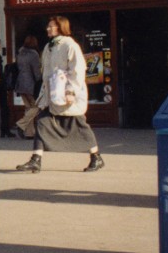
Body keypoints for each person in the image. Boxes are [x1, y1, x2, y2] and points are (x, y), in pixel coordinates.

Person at [16, 16, 104, 173]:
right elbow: (46, 73)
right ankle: (36, 159)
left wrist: (71, 92)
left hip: (67, 95)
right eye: (48, 26)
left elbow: (77, 70)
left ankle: (96, 157)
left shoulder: (70, 45)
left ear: (61, 28)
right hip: (52, 95)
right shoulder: (49, 47)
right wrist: (44, 94)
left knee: (79, 125)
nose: (48, 29)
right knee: (42, 123)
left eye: (51, 26)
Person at [13, 35, 42, 139]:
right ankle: (21, 123)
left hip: (20, 83)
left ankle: (29, 133)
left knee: (28, 107)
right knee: (37, 106)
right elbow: (37, 72)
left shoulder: (20, 52)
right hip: (30, 84)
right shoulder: (34, 54)